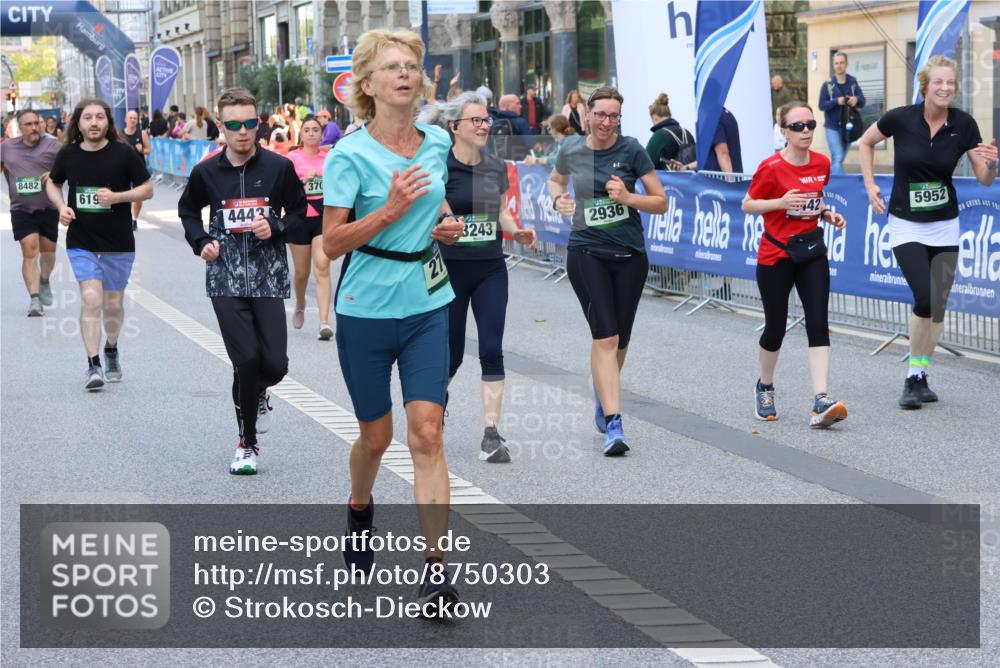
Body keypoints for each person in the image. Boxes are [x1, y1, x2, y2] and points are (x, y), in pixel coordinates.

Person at [321, 29, 466, 614]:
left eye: (411, 66)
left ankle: (436, 571)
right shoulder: (348, 155)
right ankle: (360, 506)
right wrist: (391, 209)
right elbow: (332, 243)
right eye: (391, 67)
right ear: (368, 84)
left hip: (428, 302)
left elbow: (437, 200)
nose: (404, 74)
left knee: (427, 433)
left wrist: (446, 222)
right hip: (366, 310)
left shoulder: (438, 140)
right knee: (376, 438)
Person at [177, 88, 307, 474]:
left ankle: (259, 390)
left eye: (250, 123)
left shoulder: (278, 168)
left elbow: (300, 211)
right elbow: (187, 212)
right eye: (234, 125)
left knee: (275, 365)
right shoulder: (206, 172)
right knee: (246, 360)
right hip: (225, 278)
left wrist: (276, 226)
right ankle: (247, 443)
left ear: (258, 123)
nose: (243, 131)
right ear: (221, 125)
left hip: (268, 276)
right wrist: (201, 241)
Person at [858, 55, 997, 409]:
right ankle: (910, 377)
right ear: (925, 86)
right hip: (905, 224)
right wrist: (870, 185)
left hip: (945, 226)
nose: (945, 88)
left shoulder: (964, 124)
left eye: (950, 82)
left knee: (937, 307)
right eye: (939, 82)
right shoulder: (901, 118)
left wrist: (993, 163)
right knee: (925, 298)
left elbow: (984, 178)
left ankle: (920, 374)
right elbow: (865, 142)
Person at [547, 87, 668, 455]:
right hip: (586, 251)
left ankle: (603, 390)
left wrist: (629, 198)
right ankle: (615, 423)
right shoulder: (571, 149)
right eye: (600, 114)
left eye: (613, 116)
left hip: (629, 254)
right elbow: (555, 180)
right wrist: (558, 199)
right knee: (606, 337)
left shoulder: (632, 149)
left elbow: (660, 202)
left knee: (621, 339)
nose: (606, 122)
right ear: (587, 113)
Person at [422, 91, 538, 462]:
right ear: (454, 127)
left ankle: (491, 433)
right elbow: (428, 210)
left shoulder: (495, 165)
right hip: (450, 269)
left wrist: (517, 231)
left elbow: (501, 210)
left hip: (490, 267)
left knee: (491, 348)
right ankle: (433, 412)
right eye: (476, 120)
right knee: (452, 354)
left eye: (486, 120)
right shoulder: (440, 165)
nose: (484, 125)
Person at [741, 101, 849, 428]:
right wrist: (780, 202)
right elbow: (748, 204)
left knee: (818, 322)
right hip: (776, 255)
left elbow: (816, 198)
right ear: (784, 131)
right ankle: (765, 386)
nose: (806, 131)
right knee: (776, 327)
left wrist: (826, 214)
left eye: (810, 125)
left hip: (811, 252)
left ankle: (820, 400)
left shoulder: (822, 162)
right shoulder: (771, 167)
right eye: (798, 126)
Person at [45, 98, 153, 390]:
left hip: (118, 241)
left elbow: (147, 189)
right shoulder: (68, 154)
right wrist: (61, 207)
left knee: (113, 303)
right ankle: (93, 365)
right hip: (82, 239)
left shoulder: (123, 153)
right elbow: (53, 183)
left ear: (108, 122)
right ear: (78, 123)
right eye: (88, 117)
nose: (94, 122)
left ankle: (111, 348)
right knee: (92, 298)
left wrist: (117, 197)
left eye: (99, 117)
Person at [1, 110, 61, 316]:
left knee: (48, 254)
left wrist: (54, 174)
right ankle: (34, 299)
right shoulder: (7, 147)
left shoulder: (53, 146)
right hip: (21, 209)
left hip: (49, 208)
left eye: (36, 123)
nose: (34, 127)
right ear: (20, 128)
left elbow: (70, 167)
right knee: (30, 250)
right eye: (29, 124)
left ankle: (44, 280)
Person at [286, 116, 334, 340]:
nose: (311, 133)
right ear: (301, 134)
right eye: (307, 130)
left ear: (322, 134)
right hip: (299, 217)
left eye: (316, 129)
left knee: (322, 265)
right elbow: (284, 190)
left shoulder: (330, 158)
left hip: (323, 217)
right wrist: (303, 181)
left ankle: (324, 322)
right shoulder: (292, 159)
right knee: (301, 273)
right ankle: (301, 303)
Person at [818, 51, 865, 175]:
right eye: (836, 63)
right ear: (833, 65)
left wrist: (856, 100)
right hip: (832, 127)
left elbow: (862, 101)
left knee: (839, 159)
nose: (839, 65)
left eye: (842, 63)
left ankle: (831, 182)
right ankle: (840, 183)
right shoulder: (828, 85)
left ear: (846, 64)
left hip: (848, 127)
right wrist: (836, 101)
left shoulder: (852, 82)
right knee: (838, 157)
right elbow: (821, 105)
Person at [645, 93, 696, 171]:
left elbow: (644, 166)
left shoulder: (659, 136)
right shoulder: (687, 133)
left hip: (669, 179)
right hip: (691, 177)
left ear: (654, 118)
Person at [121, 110, 151, 230]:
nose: (133, 120)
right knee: (124, 195)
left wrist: (141, 150)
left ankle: (134, 219)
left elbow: (148, 150)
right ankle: (125, 218)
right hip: (122, 169)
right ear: (126, 120)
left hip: (138, 169)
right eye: (130, 118)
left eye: (135, 118)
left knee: (137, 197)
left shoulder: (142, 134)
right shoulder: (120, 135)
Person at [704, 106, 743, 173]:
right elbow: (708, 158)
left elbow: (723, 154)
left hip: (718, 178)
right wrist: (687, 167)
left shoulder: (713, 117)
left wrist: (730, 179)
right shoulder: (727, 114)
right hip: (735, 174)